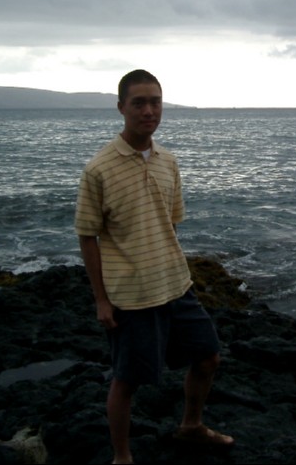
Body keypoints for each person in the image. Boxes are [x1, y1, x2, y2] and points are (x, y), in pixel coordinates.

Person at [75, 69, 233, 464]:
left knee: (208, 357)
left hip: (176, 284)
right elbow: (87, 235)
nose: (149, 110)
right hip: (131, 294)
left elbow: (170, 223)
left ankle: (191, 426)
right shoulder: (99, 169)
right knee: (127, 381)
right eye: (139, 103)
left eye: (155, 102)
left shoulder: (168, 162)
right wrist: (101, 300)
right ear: (121, 108)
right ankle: (122, 457)